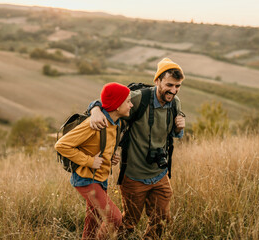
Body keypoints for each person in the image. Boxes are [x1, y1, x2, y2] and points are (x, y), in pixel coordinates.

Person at [88, 58, 186, 239]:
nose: (173, 90)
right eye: (169, 85)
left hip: (159, 173)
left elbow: (173, 135)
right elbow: (105, 104)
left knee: (162, 220)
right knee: (128, 223)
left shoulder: (175, 102)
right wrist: (94, 110)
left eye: (178, 86)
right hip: (133, 175)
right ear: (157, 81)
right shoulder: (139, 98)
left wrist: (179, 128)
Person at [55, 82, 133, 240]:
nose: (131, 105)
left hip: (100, 180)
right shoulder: (93, 124)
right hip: (86, 179)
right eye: (128, 101)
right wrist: (89, 161)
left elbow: (99, 146)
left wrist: (111, 157)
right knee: (115, 218)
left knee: (93, 223)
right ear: (117, 105)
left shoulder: (115, 124)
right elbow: (61, 145)